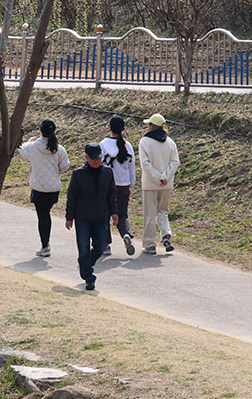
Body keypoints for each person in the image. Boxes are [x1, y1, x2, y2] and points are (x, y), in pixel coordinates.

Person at [65, 143, 119, 290]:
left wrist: (114, 212)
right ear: (86, 157)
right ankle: (89, 277)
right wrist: (69, 217)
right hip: (82, 218)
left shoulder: (108, 173)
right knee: (83, 248)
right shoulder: (78, 174)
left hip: (101, 217)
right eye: (93, 158)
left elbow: (112, 194)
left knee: (101, 246)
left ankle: (85, 262)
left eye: (99, 158)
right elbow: (72, 196)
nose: (97, 161)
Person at [22, 119, 70, 257]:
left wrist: (29, 141)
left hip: (39, 188)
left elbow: (21, 150)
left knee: (42, 217)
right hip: (53, 188)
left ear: (41, 131)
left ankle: (45, 246)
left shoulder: (33, 147)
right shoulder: (59, 149)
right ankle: (45, 245)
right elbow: (65, 166)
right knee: (46, 215)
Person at [139, 112, 181, 255]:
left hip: (150, 184)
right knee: (163, 211)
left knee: (150, 214)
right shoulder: (170, 142)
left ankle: (150, 244)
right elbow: (175, 162)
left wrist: (158, 178)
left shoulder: (144, 142)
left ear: (151, 126)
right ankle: (165, 234)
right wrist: (165, 177)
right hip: (166, 184)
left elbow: (145, 164)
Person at [101, 115, 138, 256]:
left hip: (107, 185)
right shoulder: (127, 146)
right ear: (123, 129)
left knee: (104, 214)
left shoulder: (103, 144)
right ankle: (125, 235)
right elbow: (132, 169)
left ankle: (106, 245)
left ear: (109, 128)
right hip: (123, 184)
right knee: (122, 214)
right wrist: (130, 186)